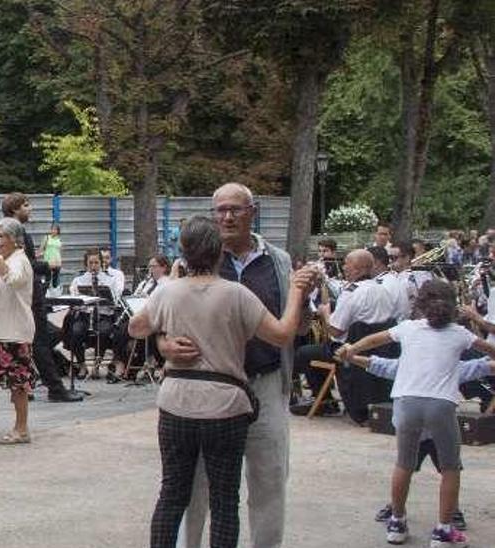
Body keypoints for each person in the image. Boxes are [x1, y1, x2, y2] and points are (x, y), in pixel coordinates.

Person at [129, 215, 315, 548]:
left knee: (172, 493)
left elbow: (136, 327)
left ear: (183, 253)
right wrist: (297, 292)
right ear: (219, 253)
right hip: (225, 406)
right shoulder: (236, 294)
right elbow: (283, 333)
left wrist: (165, 321)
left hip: (176, 404)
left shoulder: (168, 292)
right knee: (224, 499)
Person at [167, 183, 297, 548]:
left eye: (235, 209)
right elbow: (161, 322)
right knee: (196, 484)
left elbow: (292, 327)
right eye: (220, 210)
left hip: (265, 384)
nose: (227, 217)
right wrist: (166, 346)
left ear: (252, 212)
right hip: (210, 388)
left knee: (269, 479)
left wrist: (305, 299)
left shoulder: (279, 261)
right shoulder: (192, 263)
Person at [336, 281, 495, 547]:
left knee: (404, 464)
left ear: (419, 304)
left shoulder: (407, 328)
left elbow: (375, 340)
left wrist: (352, 350)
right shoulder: (460, 334)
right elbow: (488, 351)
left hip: (406, 401)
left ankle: (397, 523)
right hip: (440, 403)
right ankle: (444, 530)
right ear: (452, 306)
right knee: (450, 467)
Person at [350, 354, 490, 534]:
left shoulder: (424, 363)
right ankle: (401, 509)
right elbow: (481, 366)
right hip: (430, 429)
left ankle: (442, 511)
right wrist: (352, 356)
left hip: (429, 430)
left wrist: (351, 355)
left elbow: (378, 364)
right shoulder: (440, 364)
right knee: (445, 471)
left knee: (415, 469)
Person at [290, 249, 397, 418]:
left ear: (360, 269)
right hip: (379, 350)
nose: (344, 267)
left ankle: (324, 400)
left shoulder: (351, 292)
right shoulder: (382, 290)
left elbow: (335, 330)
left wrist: (325, 313)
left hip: (349, 350)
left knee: (304, 353)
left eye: (347, 264)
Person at [3, 193, 72, 401]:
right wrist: (46, 266)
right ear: (15, 210)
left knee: (32, 340)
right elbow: (24, 265)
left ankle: (27, 385)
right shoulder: (17, 232)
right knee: (41, 339)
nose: (30, 209)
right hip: (30, 295)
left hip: (25, 295)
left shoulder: (11, 231)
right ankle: (55, 388)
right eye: (26, 205)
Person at [0, 218, 36, 444]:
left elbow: (12, 280)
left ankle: (22, 428)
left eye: (2, 236)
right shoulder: (1, 260)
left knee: (19, 384)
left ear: (14, 239)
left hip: (15, 332)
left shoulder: (20, 260)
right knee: (5, 382)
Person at [65, 249, 122, 378]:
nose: (93, 266)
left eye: (96, 263)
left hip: (103, 315)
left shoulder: (110, 280)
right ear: (86, 264)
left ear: (101, 263)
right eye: (90, 263)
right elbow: (74, 299)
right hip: (85, 315)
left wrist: (107, 298)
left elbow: (116, 301)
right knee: (76, 331)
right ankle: (82, 365)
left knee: (104, 332)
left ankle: (98, 362)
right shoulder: (78, 281)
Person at [42, 225, 63, 289]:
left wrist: (60, 261)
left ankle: (54, 291)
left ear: (58, 231)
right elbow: (42, 248)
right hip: (48, 260)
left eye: (55, 230)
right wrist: (37, 254)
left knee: (55, 278)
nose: (53, 231)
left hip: (57, 261)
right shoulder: (47, 238)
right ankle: (46, 291)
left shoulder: (59, 240)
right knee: (48, 277)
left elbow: (59, 251)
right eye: (52, 229)